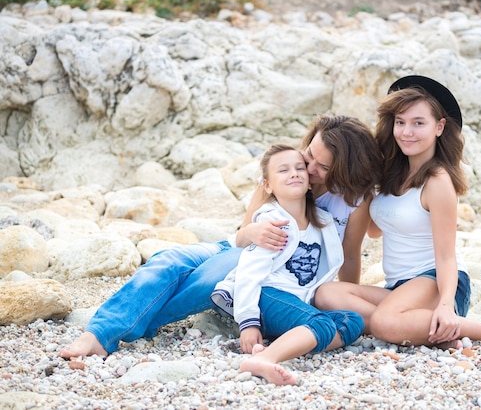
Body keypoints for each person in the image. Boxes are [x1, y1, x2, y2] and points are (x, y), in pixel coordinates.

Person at [59, 115, 382, 358]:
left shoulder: (354, 199)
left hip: (273, 274)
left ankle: (104, 334)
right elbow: (243, 234)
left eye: (321, 166)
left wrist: (330, 296)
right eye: (309, 153)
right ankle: (104, 331)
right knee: (168, 260)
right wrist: (252, 232)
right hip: (241, 248)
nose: (307, 167)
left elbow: (349, 254)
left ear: (344, 171)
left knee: (201, 284)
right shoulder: (286, 168)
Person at [314, 75, 481, 363]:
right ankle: (427, 330)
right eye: (400, 122)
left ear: (439, 127)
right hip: (399, 288)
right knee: (327, 295)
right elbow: (378, 231)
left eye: (419, 123)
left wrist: (444, 305)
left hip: (434, 280)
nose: (407, 132)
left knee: (383, 323)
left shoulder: (438, 181)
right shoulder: (393, 174)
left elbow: (446, 256)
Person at [210, 144, 364, 385]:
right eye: (283, 170)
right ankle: (266, 359)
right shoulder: (271, 222)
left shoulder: (322, 222)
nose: (293, 173)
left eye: (299, 168)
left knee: (352, 320)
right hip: (267, 296)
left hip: (296, 302)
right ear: (268, 185)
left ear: (310, 179)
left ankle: (289, 340)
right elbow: (250, 273)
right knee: (321, 323)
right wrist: (248, 323)